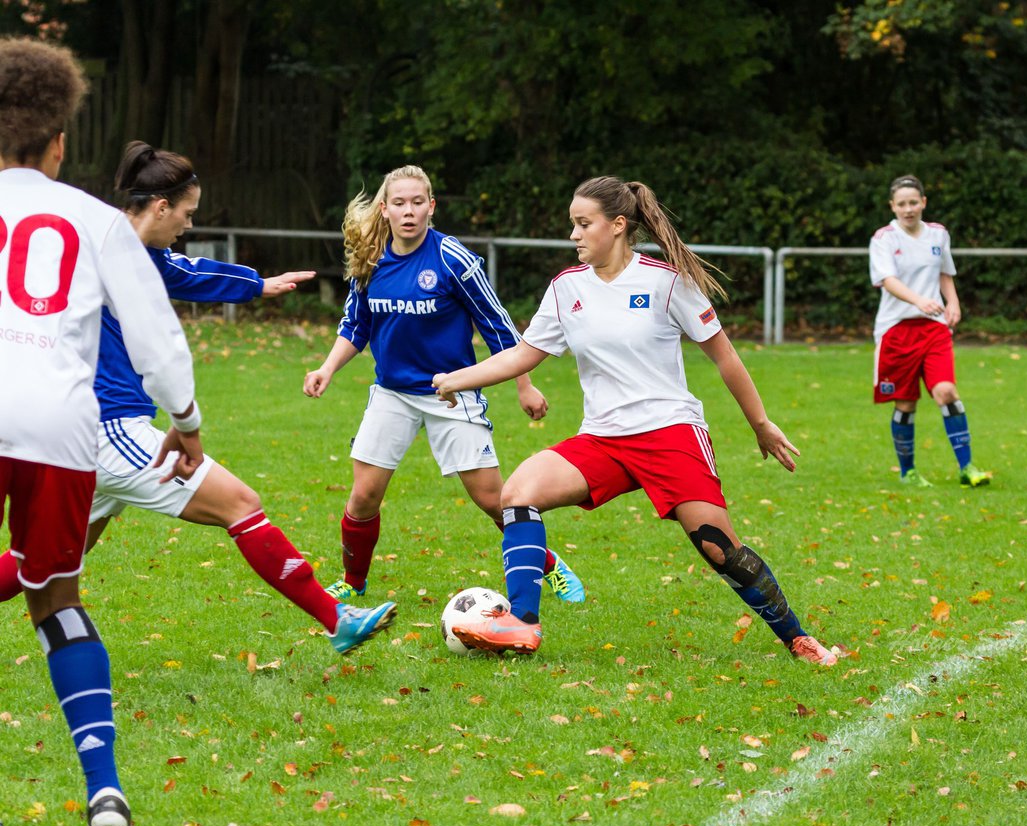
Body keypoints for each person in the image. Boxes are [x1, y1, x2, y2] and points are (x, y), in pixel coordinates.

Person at [0, 141, 399, 656]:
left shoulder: (121, 246)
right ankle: (335, 616)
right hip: (107, 429)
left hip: (83, 431)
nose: (189, 225)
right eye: (187, 213)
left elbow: (188, 273)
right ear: (161, 206)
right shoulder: (105, 247)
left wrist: (258, 285)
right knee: (241, 504)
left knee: (42, 559)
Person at [432, 176, 840, 666]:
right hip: (603, 439)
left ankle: (798, 639)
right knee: (518, 494)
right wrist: (460, 377)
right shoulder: (566, 288)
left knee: (718, 547)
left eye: (584, 224)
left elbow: (725, 357)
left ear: (618, 225)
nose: (574, 235)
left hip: (671, 432)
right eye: (572, 225)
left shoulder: (666, 282)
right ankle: (523, 623)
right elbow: (525, 353)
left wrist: (760, 423)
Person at [0, 38, 199, 826]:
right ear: (58, 142)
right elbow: (155, 335)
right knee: (57, 601)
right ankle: (105, 790)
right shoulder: (93, 219)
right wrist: (185, 421)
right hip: (61, 429)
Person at [303, 165, 584, 605]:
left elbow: (498, 325)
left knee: (494, 500)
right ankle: (353, 582)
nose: (409, 211)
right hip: (392, 394)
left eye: (418, 202)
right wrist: (326, 368)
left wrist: (524, 386)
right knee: (363, 496)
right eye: (399, 203)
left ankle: (550, 565)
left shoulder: (452, 258)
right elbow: (355, 327)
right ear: (385, 208)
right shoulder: (371, 259)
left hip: (451, 394)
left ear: (431, 207)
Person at [868, 174, 991, 488]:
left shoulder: (938, 234)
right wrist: (920, 300)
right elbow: (889, 281)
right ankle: (908, 472)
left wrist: (953, 303)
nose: (908, 209)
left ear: (923, 202)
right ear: (892, 207)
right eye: (902, 204)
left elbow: (945, 273)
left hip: (934, 328)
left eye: (913, 202)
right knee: (906, 403)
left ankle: (968, 467)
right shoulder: (884, 239)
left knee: (946, 391)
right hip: (896, 330)